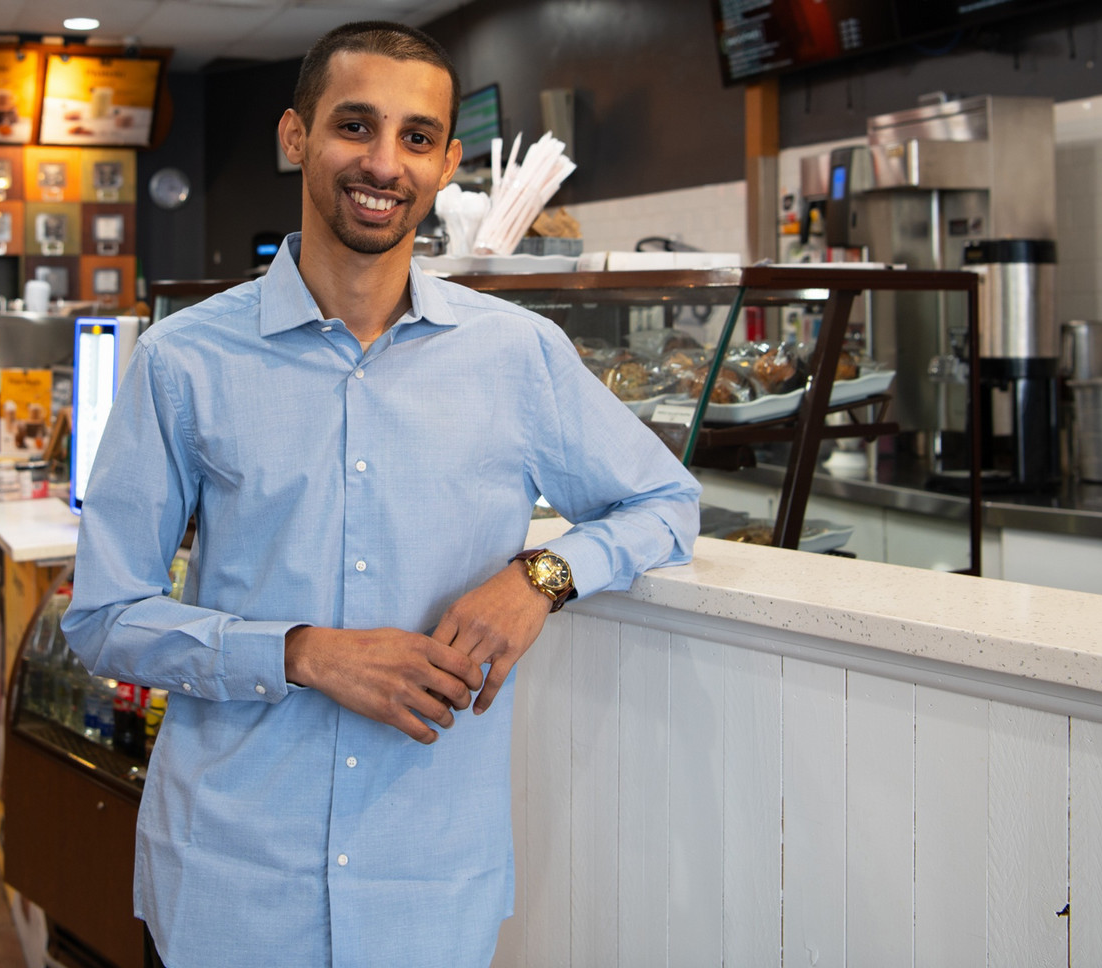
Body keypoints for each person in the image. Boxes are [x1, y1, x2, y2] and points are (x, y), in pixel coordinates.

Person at [61, 20, 700, 967]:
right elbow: (105, 617)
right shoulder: (183, 360)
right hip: (229, 882)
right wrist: (304, 654)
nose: (384, 163)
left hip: (426, 888)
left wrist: (543, 575)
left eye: (415, 137)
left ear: (446, 163)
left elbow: (665, 503)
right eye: (354, 126)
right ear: (295, 138)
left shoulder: (515, 355)